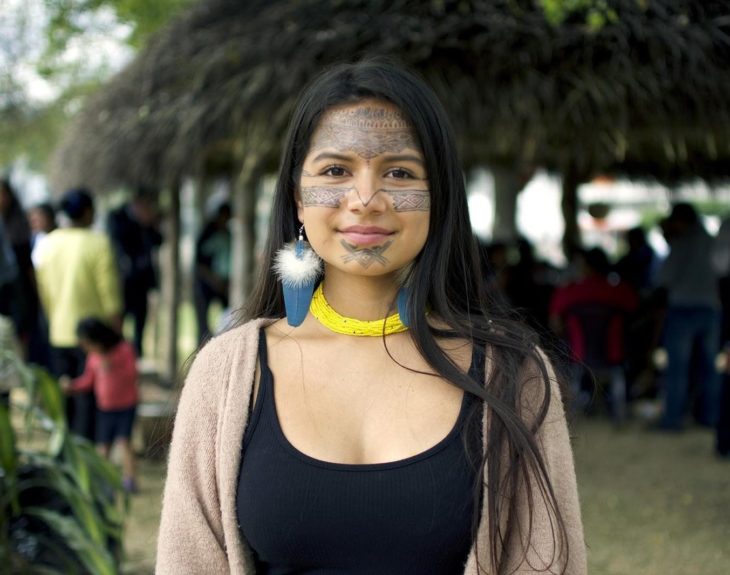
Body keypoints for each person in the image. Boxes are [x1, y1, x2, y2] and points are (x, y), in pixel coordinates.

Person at [157, 60, 586, 574]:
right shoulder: (226, 373)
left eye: (400, 172)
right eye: (336, 171)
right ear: (297, 196)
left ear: (438, 196)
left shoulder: (515, 374)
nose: (365, 200)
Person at [34, 188, 122, 441]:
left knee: (64, 397)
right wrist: (116, 333)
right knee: (88, 400)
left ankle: (66, 455)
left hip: (58, 332)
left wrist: (53, 320)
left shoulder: (48, 243)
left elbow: (45, 293)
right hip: (93, 338)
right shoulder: (98, 242)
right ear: (87, 213)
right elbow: (110, 295)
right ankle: (86, 453)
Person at [655, 203, 721, 431]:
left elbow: (663, 278)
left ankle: (673, 420)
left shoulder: (681, 244)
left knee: (677, 369)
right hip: (710, 308)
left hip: (683, 308)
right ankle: (710, 417)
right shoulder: (711, 241)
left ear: (680, 221)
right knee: (710, 367)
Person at [60, 318, 139, 492]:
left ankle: (129, 480)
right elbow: (88, 381)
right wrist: (72, 387)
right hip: (105, 408)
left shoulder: (124, 350)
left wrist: (113, 367)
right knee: (103, 448)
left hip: (125, 406)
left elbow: (132, 373)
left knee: (124, 442)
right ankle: (104, 481)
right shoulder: (93, 357)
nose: (86, 348)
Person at [107, 189, 163, 357]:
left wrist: (150, 224)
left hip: (142, 280)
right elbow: (116, 240)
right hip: (122, 279)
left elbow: (158, 241)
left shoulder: (148, 221)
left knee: (141, 320)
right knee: (120, 320)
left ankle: (137, 354)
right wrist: (140, 222)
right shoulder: (117, 216)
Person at [193, 201, 232, 343]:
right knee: (203, 325)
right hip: (205, 284)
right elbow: (198, 264)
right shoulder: (207, 233)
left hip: (223, 284)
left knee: (229, 318)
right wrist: (213, 279)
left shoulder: (227, 234)